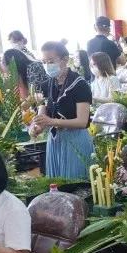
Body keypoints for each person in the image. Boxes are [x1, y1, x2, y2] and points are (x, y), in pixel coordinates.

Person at [36, 41, 93, 180]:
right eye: (44, 62)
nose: (47, 65)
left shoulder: (79, 84)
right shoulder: (46, 84)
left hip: (75, 140)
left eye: (51, 61)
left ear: (65, 59)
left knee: (74, 184)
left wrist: (51, 121)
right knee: (56, 186)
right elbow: (42, 115)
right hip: (55, 140)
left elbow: (82, 121)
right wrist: (36, 126)